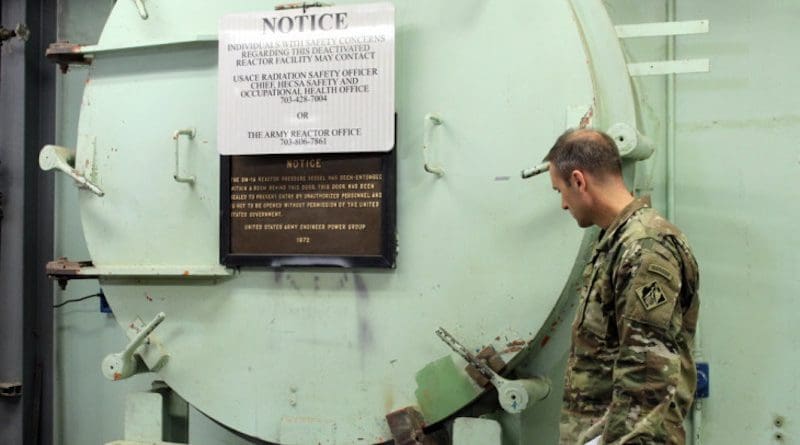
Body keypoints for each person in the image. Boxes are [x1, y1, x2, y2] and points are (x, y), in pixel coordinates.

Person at [545, 129, 700, 444]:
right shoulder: (616, 243)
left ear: (578, 180)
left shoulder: (644, 246)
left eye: (560, 190)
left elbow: (647, 371)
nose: (562, 204)